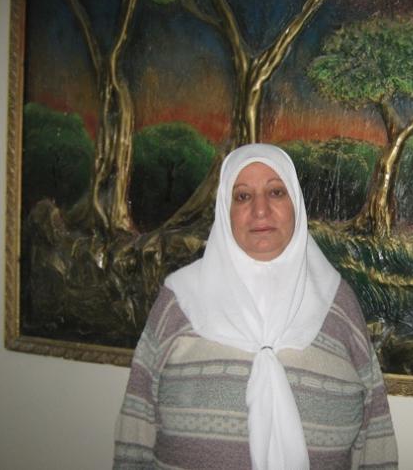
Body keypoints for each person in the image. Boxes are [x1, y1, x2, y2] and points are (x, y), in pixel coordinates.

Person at [113, 143, 398, 469]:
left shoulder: (337, 300)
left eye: (276, 192)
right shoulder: (179, 299)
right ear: (225, 209)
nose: (260, 210)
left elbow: (375, 429)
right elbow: (136, 424)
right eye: (243, 196)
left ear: (295, 203)